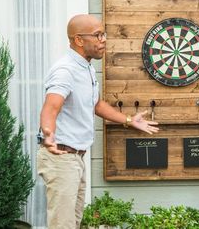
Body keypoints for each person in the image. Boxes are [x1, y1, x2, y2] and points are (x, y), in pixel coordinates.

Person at [37, 14, 159, 229]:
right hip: (61, 157)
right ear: (79, 40)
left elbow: (95, 104)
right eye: (97, 35)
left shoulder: (86, 68)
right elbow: (51, 106)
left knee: (72, 222)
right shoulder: (65, 70)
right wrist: (49, 135)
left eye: (104, 34)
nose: (103, 40)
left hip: (75, 157)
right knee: (62, 225)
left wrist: (130, 120)